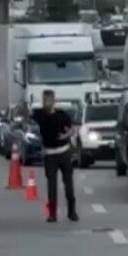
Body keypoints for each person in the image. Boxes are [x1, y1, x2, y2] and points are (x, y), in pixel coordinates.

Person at [31, 90, 78, 222]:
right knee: (51, 185)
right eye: (44, 100)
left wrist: (65, 135)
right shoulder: (39, 115)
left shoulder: (61, 115)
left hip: (64, 152)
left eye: (49, 100)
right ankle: (52, 214)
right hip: (50, 154)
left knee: (68, 185)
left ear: (53, 101)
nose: (46, 103)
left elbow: (72, 129)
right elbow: (28, 118)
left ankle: (72, 211)